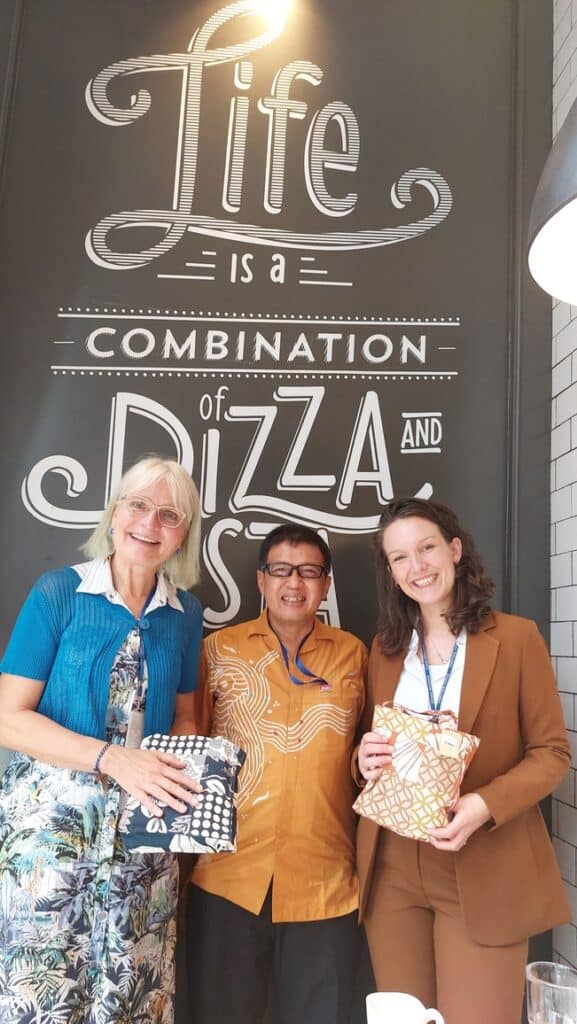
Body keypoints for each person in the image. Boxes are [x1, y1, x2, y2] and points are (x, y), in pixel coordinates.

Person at [0, 455, 204, 1024]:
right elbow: (8, 717)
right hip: (51, 842)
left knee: (132, 999)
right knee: (42, 1000)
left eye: (169, 515)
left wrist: (169, 774)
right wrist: (113, 759)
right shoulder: (59, 593)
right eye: (138, 505)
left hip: (143, 843)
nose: (149, 523)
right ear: (115, 513)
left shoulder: (185, 615)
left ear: (183, 534)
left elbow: (187, 718)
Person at [355, 497, 570, 1024]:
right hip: (393, 867)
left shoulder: (516, 638)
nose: (417, 566)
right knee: (403, 1019)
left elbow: (552, 753)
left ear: (454, 550)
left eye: (426, 548)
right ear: (390, 571)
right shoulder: (384, 649)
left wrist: (484, 805)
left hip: (483, 859)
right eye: (400, 557)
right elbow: (366, 747)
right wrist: (363, 758)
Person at [185, 523, 367, 1024]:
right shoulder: (218, 650)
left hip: (325, 885)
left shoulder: (355, 654)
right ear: (261, 580)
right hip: (228, 878)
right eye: (282, 570)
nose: (294, 582)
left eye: (309, 571)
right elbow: (191, 743)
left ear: (326, 584)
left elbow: (366, 749)